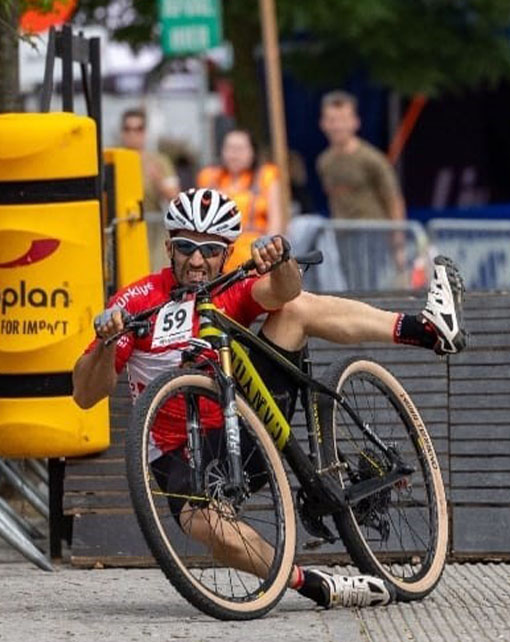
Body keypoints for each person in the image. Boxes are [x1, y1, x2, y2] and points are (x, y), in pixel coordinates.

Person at [72, 188, 466, 609]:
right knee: (208, 527)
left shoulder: (230, 285)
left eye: (210, 249)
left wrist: (280, 261)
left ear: (227, 252)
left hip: (246, 425)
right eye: (186, 247)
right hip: (179, 452)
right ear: (169, 247)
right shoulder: (138, 301)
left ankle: (426, 330)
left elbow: (284, 292)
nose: (198, 260)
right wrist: (106, 344)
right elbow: (84, 394)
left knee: (295, 310)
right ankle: (309, 582)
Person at [197, 129, 284, 272]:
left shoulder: (267, 176)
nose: (234, 154)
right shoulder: (208, 177)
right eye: (229, 148)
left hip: (255, 257)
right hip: (217, 256)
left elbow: (276, 222)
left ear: (252, 152)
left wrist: (269, 254)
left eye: (240, 149)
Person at [316, 91, 405, 221]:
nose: (338, 126)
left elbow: (393, 198)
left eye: (343, 120)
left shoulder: (372, 159)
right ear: (323, 123)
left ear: (355, 122)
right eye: (332, 120)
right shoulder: (324, 162)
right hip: (341, 234)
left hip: (373, 233)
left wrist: (397, 234)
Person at [119, 108, 180, 212]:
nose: (132, 134)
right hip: (120, 226)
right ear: (122, 132)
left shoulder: (160, 161)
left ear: (145, 132)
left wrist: (159, 180)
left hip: (150, 226)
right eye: (127, 129)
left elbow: (176, 200)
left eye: (138, 129)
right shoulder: (112, 161)